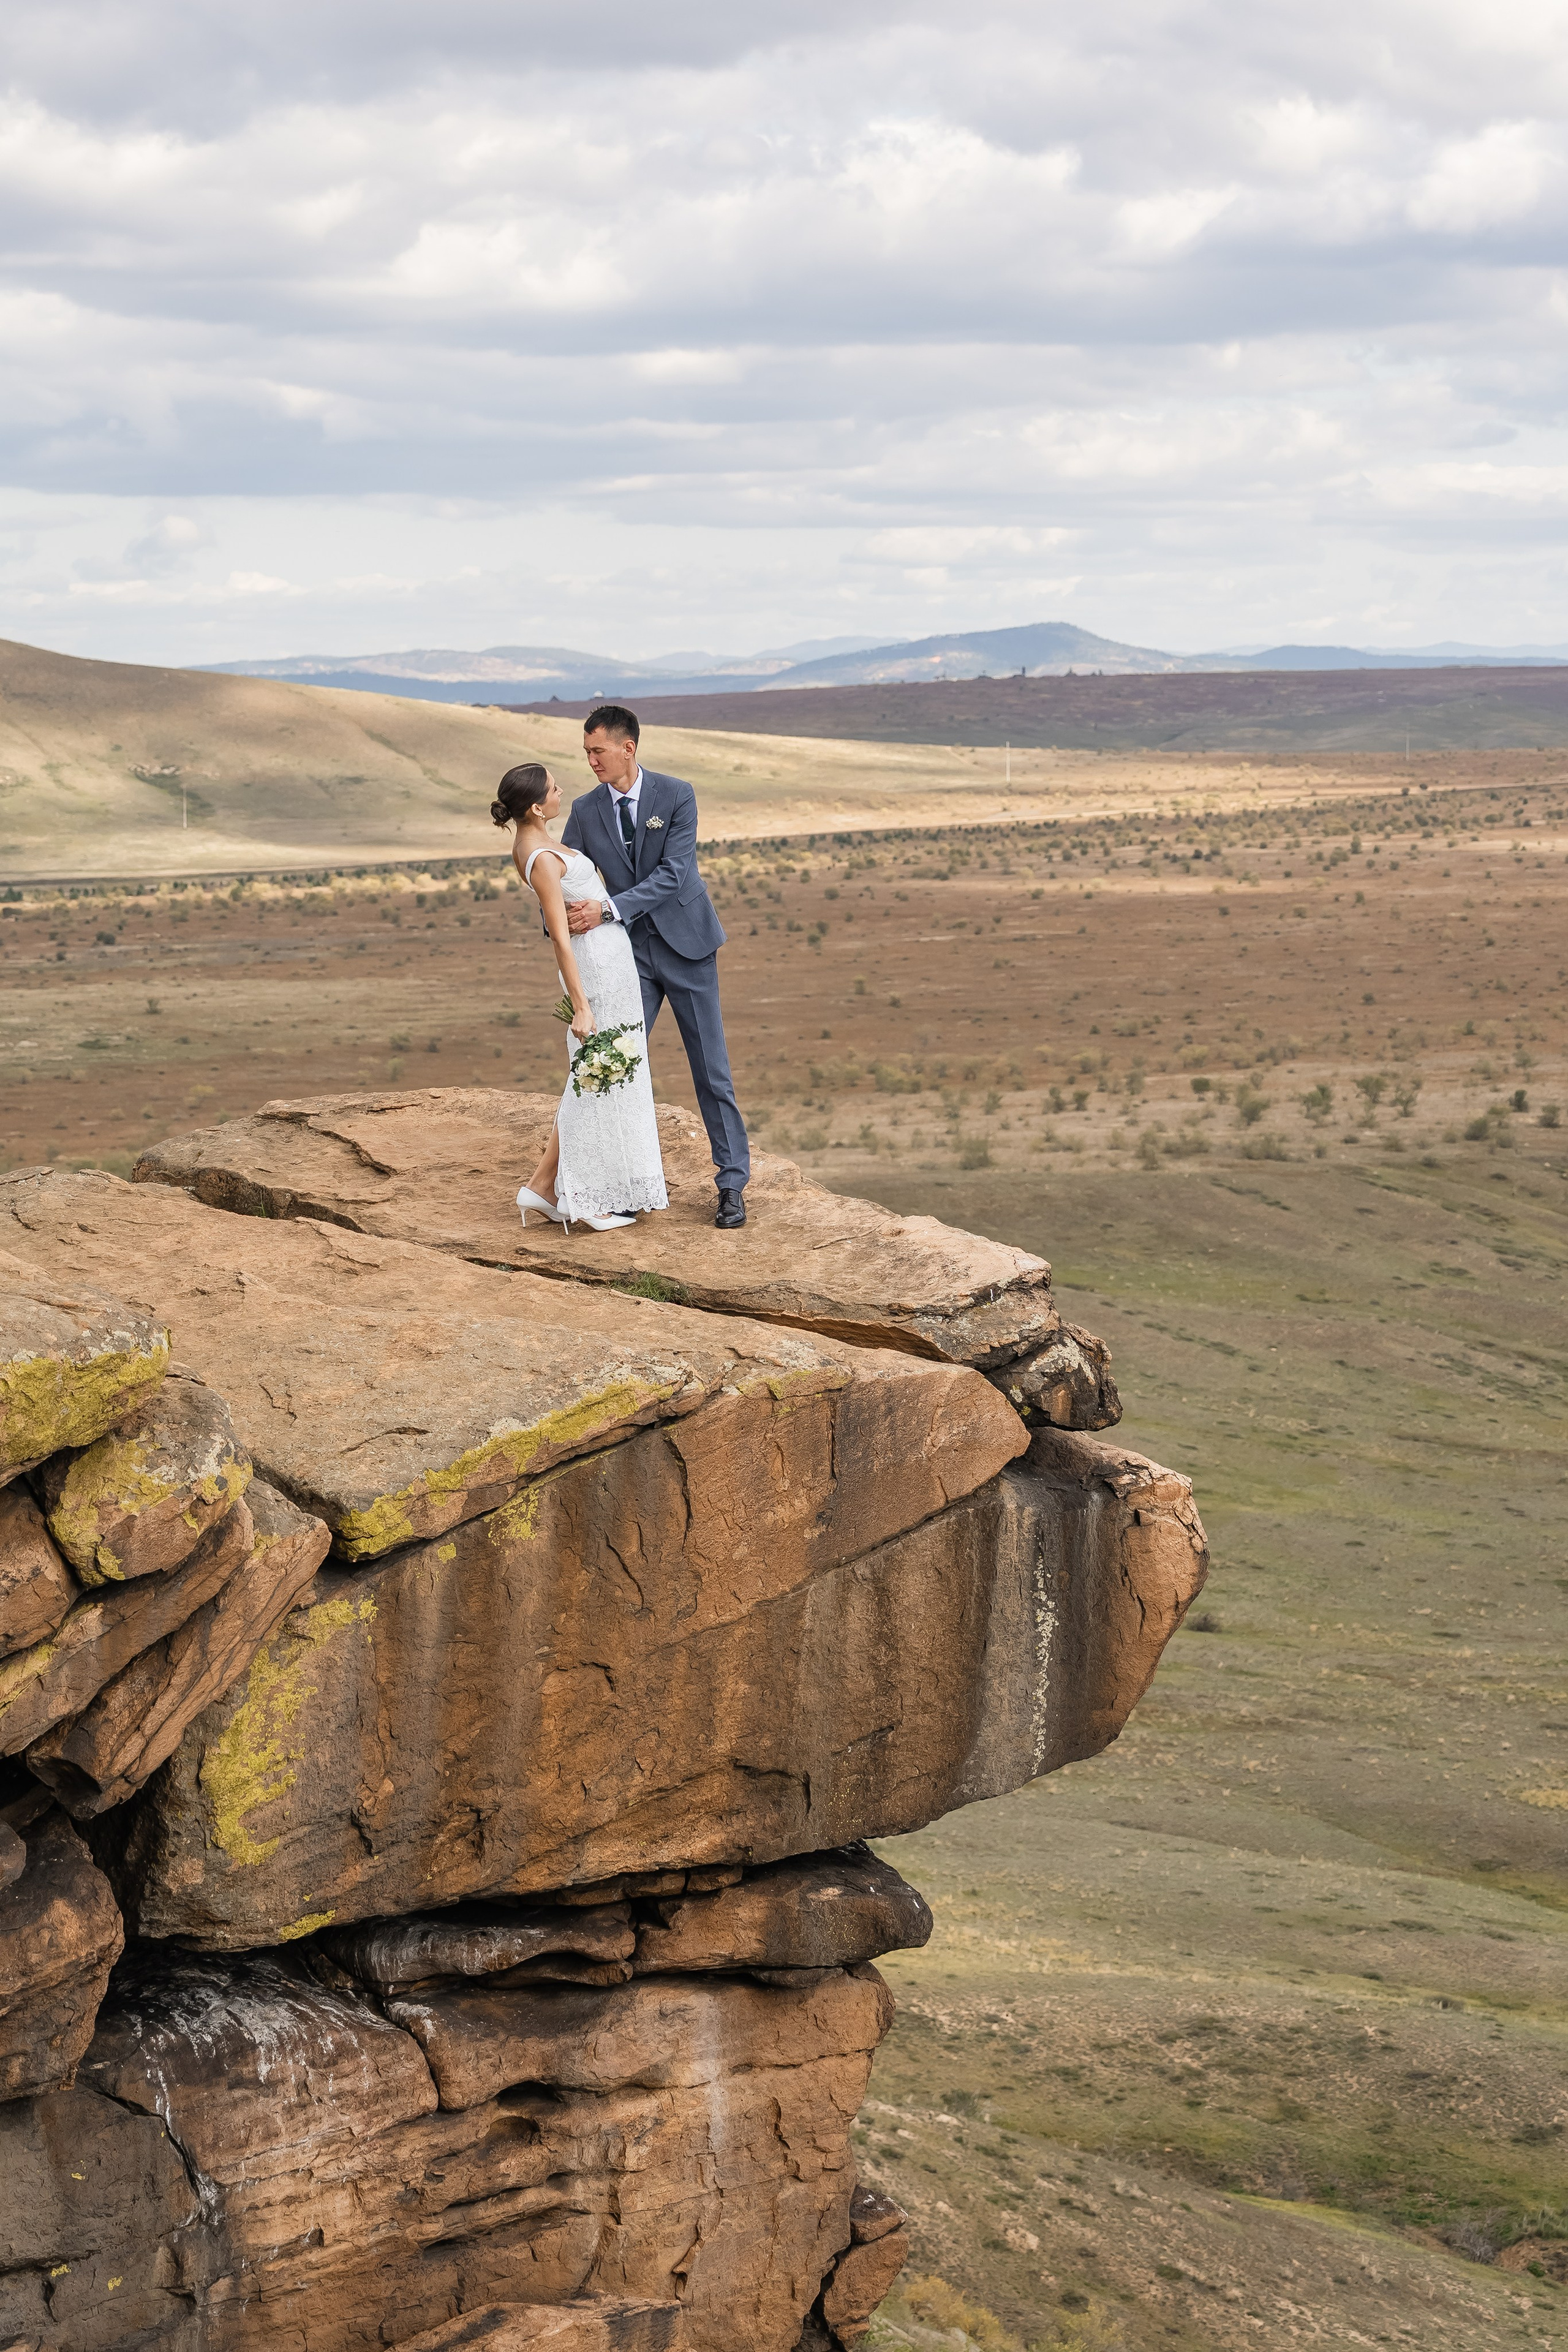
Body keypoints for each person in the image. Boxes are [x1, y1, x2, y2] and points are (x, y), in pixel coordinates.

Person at [561, 703, 750, 1229]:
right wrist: (561, 918)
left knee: (711, 1070)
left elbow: (674, 873)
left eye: (598, 751)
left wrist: (607, 909)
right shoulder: (583, 809)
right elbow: (568, 874)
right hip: (627, 956)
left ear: (629, 747)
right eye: (586, 753)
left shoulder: (677, 794)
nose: (592, 761)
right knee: (614, 1063)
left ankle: (732, 1184)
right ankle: (620, 1185)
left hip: (688, 946)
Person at [491, 762, 668, 1233]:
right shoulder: (542, 857)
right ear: (535, 806)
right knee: (596, 1074)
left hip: (611, 965)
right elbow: (559, 937)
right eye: (553, 789)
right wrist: (583, 1004)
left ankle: (544, 1187)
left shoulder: (537, 843)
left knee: (600, 1072)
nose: (561, 792)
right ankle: (585, 1201)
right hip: (597, 974)